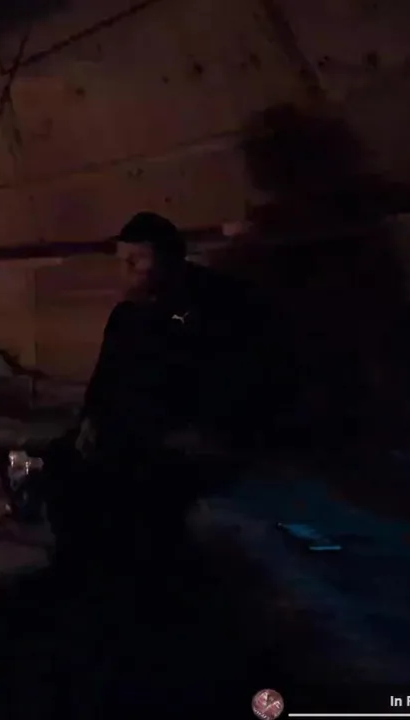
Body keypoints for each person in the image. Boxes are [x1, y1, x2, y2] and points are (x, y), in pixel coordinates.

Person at [46, 211, 285, 586]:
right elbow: (104, 378)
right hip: (130, 431)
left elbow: (240, 381)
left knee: (135, 489)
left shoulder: (213, 306)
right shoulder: (126, 315)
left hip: (183, 437)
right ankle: (78, 570)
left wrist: (208, 433)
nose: (126, 269)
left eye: (137, 259)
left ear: (169, 258)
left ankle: (144, 583)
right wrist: (90, 420)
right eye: (122, 260)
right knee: (61, 462)